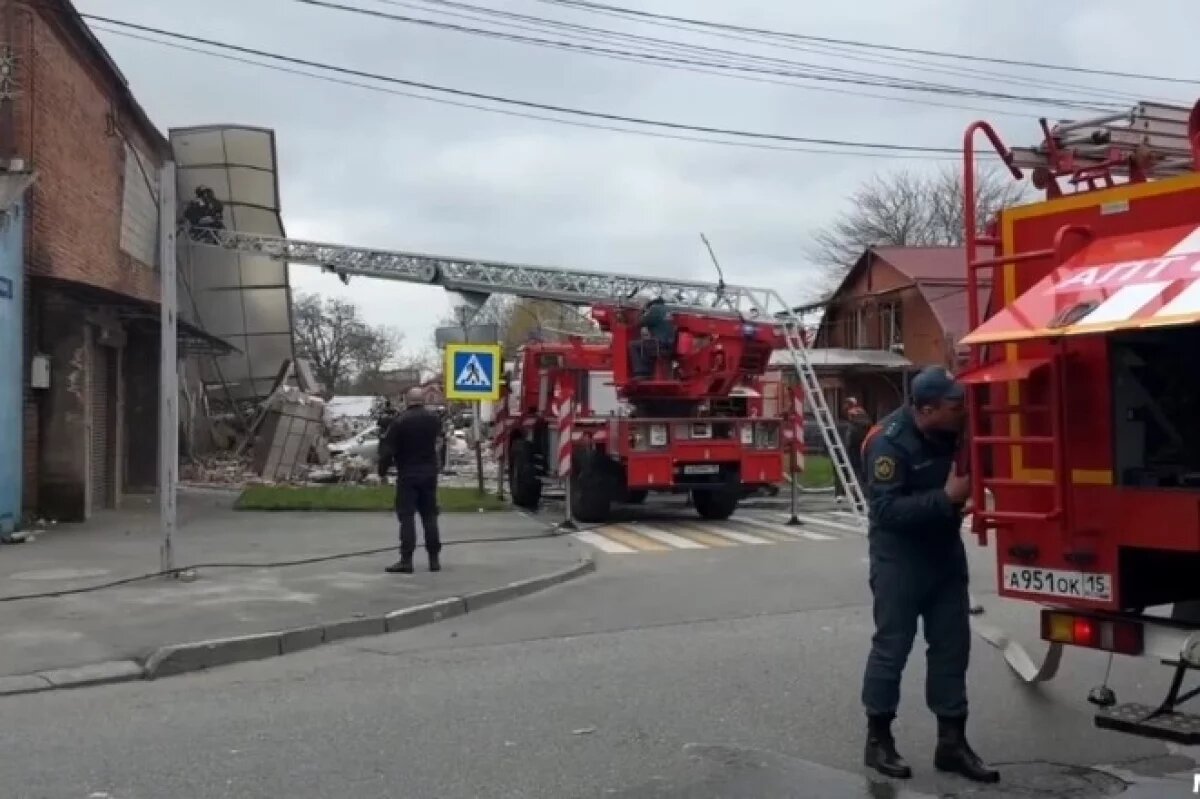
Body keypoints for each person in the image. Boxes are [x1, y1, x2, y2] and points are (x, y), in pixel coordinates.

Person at [859, 366, 998, 784]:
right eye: (956, 406)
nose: (964, 413)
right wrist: (947, 498)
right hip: (899, 558)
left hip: (944, 554)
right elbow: (885, 511)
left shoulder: (954, 432)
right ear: (926, 409)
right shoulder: (887, 442)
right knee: (892, 648)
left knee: (952, 648)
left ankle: (952, 742)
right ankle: (878, 739)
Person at [377, 387, 444, 574]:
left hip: (408, 473)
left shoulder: (400, 421)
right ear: (423, 400)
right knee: (430, 515)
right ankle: (434, 559)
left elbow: (388, 450)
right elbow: (439, 442)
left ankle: (406, 560)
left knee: (406, 517)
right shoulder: (434, 420)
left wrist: (381, 472)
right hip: (429, 473)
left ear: (407, 400)